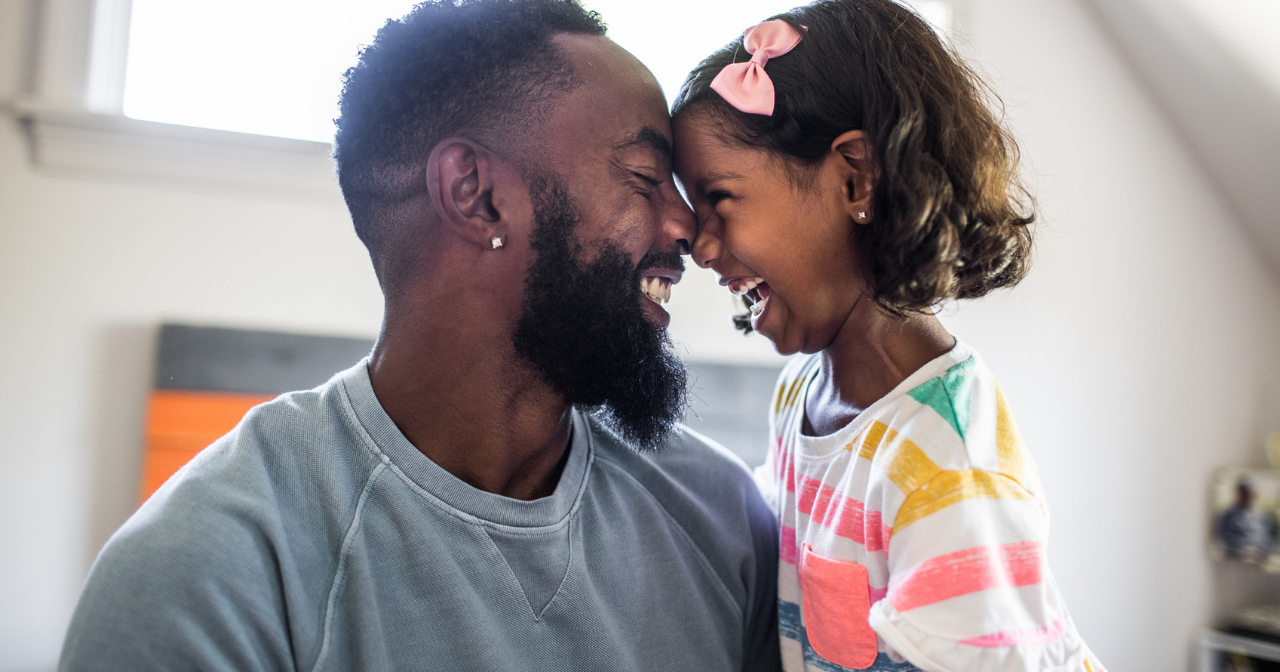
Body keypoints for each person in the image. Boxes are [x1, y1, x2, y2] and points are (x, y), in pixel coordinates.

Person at [59, 1, 781, 670]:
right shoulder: (207, 573)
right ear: (476, 194)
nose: (690, 227)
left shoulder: (722, 517)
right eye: (645, 176)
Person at [671, 2, 1104, 670]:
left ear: (855, 178)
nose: (699, 247)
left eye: (720, 199)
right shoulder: (802, 394)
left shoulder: (946, 466)